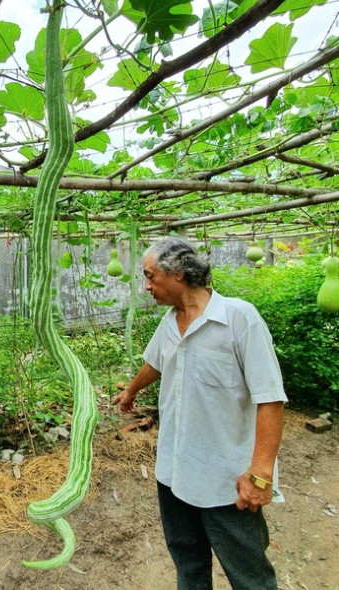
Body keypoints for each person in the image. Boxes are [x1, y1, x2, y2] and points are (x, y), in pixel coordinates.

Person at [112, 236, 287, 590]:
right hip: (174, 473)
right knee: (188, 565)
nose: (146, 286)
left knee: (249, 574)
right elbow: (156, 362)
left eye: (149, 276)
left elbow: (270, 398)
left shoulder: (239, 319)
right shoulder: (169, 322)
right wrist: (132, 389)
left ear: (177, 273)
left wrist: (261, 475)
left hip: (225, 482)